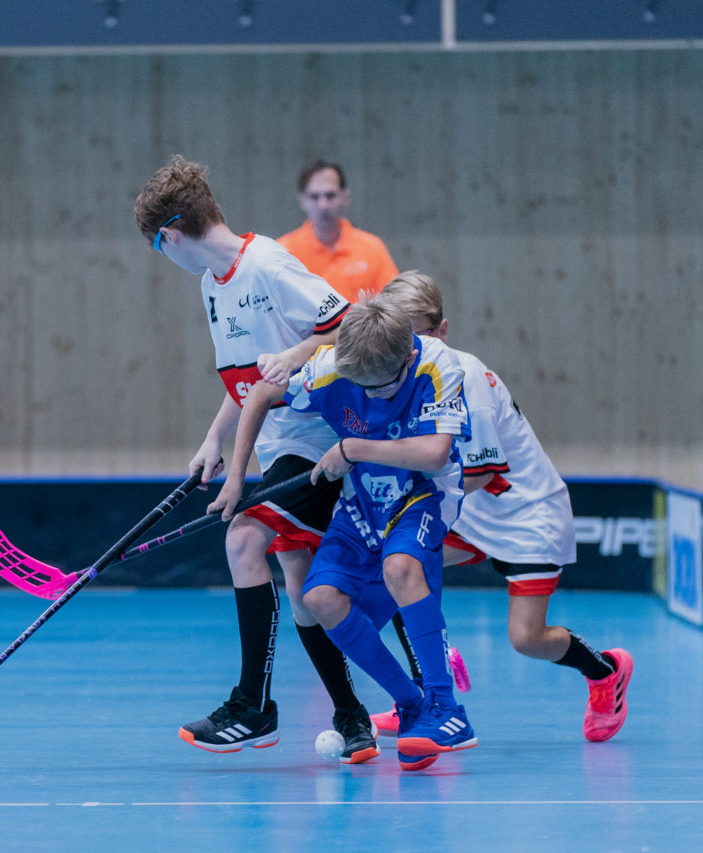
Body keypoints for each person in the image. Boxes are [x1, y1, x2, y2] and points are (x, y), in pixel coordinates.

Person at [134, 156, 380, 763]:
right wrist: (213, 440)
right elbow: (245, 382)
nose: (164, 257)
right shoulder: (212, 285)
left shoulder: (268, 264)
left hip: (320, 440)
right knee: (301, 587)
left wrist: (298, 353)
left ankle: (253, 706)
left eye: (157, 247)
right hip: (276, 445)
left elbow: (354, 327)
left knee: (244, 536)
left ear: (171, 235)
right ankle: (352, 716)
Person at [209, 299, 478, 771]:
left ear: (408, 356)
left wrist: (352, 448)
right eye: (362, 386)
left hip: (424, 492)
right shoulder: (331, 366)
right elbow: (259, 393)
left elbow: (436, 453)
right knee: (319, 598)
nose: (372, 395)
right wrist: (236, 477)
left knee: (401, 568)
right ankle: (411, 703)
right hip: (363, 499)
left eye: (383, 386)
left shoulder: (437, 364)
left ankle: (445, 707)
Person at [370, 271, 634, 743]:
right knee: (396, 568)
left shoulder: (465, 378)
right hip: (470, 512)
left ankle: (605, 671)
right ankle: (424, 692)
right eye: (396, 337)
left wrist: (402, 499)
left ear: (442, 330)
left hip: (526, 515)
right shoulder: (405, 376)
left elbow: (481, 474)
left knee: (527, 639)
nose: (406, 348)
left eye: (416, 335)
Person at [278, 160, 399, 303]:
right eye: (314, 196)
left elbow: (392, 303)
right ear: (302, 201)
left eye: (330, 195)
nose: (323, 205)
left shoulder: (372, 248)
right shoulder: (284, 252)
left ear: (344, 197)